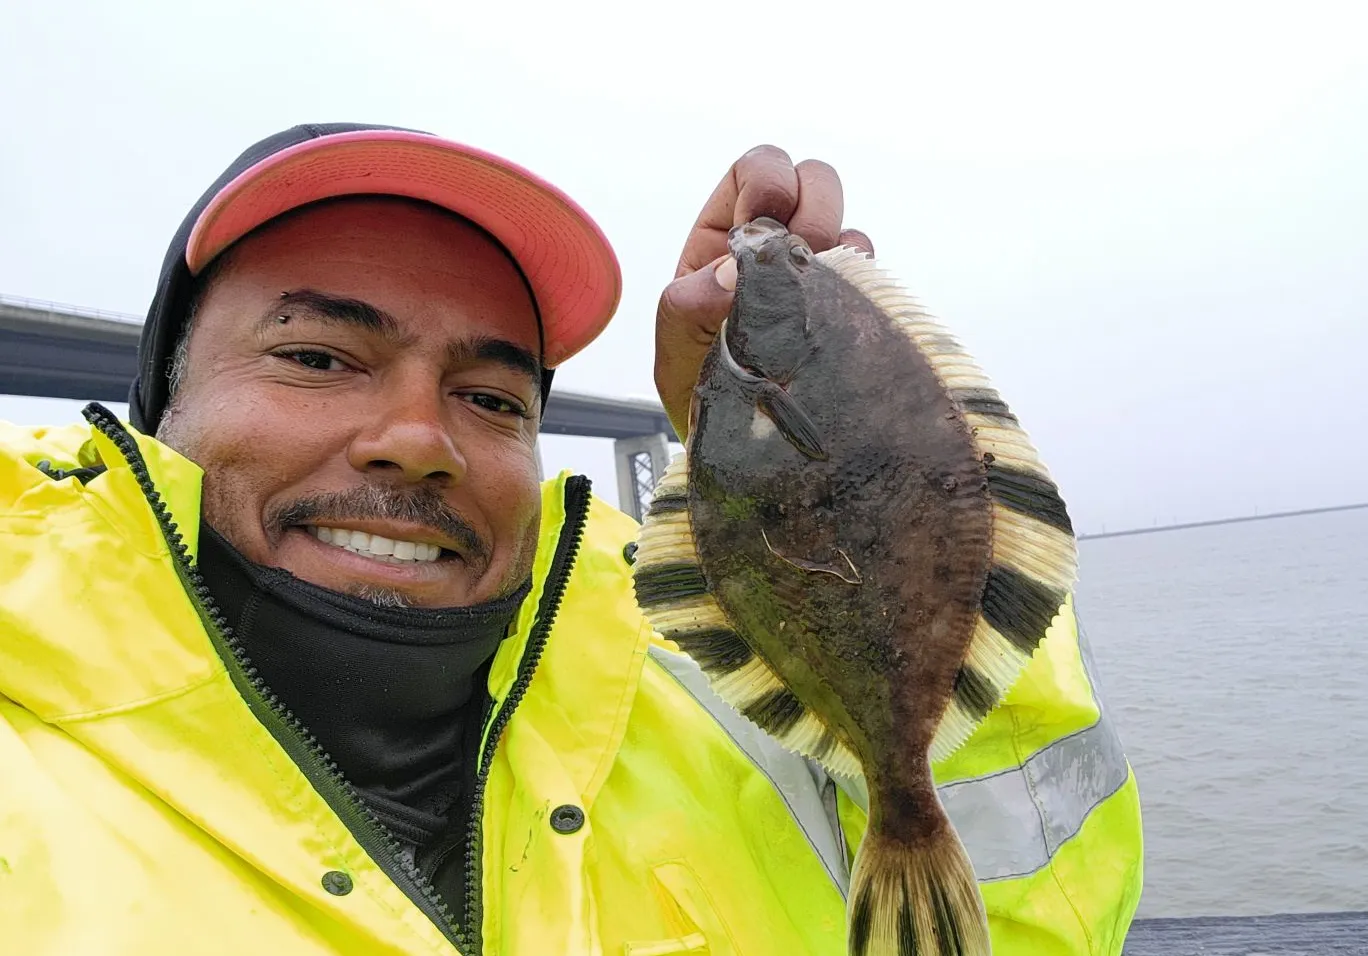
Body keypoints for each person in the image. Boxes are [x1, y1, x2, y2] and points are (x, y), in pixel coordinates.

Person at [0, 123, 1143, 955]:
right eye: (317, 356)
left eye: (494, 398)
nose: (416, 438)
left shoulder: (702, 695)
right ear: (159, 401)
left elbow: (1033, 921)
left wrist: (801, 451)